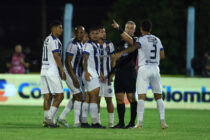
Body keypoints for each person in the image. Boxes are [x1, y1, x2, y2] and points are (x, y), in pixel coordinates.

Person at [112, 19, 168, 129]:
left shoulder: (140, 39)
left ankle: (139, 123)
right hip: (155, 68)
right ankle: (162, 121)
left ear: (140, 29)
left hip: (143, 69)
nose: (130, 30)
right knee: (159, 96)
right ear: (150, 29)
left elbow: (133, 46)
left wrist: (121, 53)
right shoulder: (157, 39)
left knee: (141, 97)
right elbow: (162, 56)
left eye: (132, 28)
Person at [111, 21, 138, 129]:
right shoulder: (120, 43)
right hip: (119, 73)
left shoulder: (136, 41)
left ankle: (131, 123)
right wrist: (112, 72)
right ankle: (121, 123)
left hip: (130, 73)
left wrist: (119, 28)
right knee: (119, 99)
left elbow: (129, 42)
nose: (129, 30)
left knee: (131, 97)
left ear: (134, 30)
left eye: (132, 28)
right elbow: (116, 60)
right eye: (128, 28)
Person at [57, 26, 85, 128]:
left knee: (76, 96)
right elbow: (68, 62)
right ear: (75, 33)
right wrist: (74, 78)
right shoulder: (72, 44)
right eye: (78, 32)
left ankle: (62, 117)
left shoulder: (80, 44)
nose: (80, 34)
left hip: (76, 72)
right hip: (69, 72)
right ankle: (77, 122)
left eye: (82, 32)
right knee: (79, 96)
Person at [40, 20, 66, 128]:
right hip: (52, 70)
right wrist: (62, 70)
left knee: (47, 96)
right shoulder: (55, 40)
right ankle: (50, 118)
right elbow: (56, 55)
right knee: (60, 96)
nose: (61, 30)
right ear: (53, 28)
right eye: (59, 27)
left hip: (44, 70)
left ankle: (47, 121)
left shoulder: (47, 38)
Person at [81, 26, 106, 128]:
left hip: (93, 73)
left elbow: (94, 61)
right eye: (93, 33)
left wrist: (100, 72)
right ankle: (95, 122)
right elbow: (84, 59)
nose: (95, 35)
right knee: (94, 97)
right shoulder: (88, 45)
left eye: (97, 33)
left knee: (88, 98)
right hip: (90, 74)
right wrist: (86, 72)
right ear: (89, 35)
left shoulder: (95, 45)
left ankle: (84, 121)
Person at [97, 26, 115, 127]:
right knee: (97, 100)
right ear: (98, 33)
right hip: (97, 78)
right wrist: (99, 73)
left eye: (105, 32)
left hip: (107, 77)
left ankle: (111, 122)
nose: (104, 34)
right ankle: (98, 122)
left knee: (109, 100)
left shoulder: (109, 44)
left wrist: (112, 74)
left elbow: (113, 59)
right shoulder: (94, 45)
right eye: (102, 32)